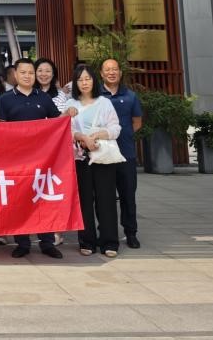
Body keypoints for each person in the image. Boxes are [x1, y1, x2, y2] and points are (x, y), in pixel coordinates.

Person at [0, 58, 64, 261]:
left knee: (42, 200)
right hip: (15, 160)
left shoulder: (44, 97)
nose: (27, 76)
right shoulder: (5, 99)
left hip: (42, 159)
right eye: (23, 72)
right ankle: (22, 243)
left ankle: (47, 243)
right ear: (15, 75)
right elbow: (0, 129)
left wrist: (67, 115)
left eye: (31, 73)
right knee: (19, 201)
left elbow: (56, 124)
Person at [67, 63, 122, 258]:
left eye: (87, 79)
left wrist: (97, 136)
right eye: (80, 80)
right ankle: (87, 241)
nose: (84, 83)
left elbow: (115, 128)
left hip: (103, 157)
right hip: (80, 158)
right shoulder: (70, 104)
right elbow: (66, 129)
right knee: (84, 201)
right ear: (75, 83)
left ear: (94, 81)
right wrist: (83, 138)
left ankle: (109, 242)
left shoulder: (104, 103)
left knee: (106, 200)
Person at [99, 58, 144, 249]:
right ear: (101, 74)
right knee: (104, 197)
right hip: (102, 155)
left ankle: (130, 232)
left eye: (115, 69)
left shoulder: (130, 96)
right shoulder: (95, 96)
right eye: (107, 70)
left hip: (125, 153)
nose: (111, 72)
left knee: (128, 195)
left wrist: (121, 136)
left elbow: (137, 122)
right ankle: (105, 232)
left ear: (120, 72)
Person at [34, 57, 74, 248]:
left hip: (54, 151)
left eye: (48, 71)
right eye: (40, 70)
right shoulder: (29, 93)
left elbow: (62, 121)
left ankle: (56, 231)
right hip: (32, 151)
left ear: (54, 74)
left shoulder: (61, 96)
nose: (44, 74)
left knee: (53, 190)